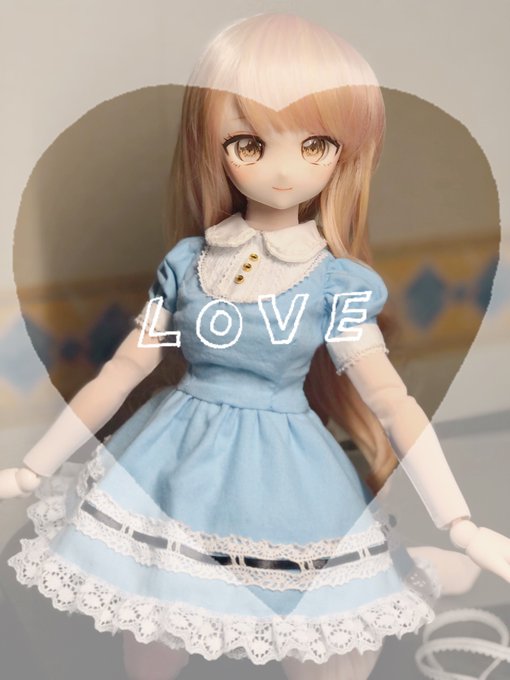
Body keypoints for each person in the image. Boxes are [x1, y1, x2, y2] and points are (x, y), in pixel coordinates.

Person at [1, 12, 508, 680]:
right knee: (153, 629)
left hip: (285, 471)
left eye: (316, 144)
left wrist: (459, 521)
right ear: (211, 146)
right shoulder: (188, 263)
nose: (282, 170)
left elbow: (390, 399)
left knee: (318, 642)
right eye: (249, 143)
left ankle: (437, 565)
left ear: (346, 153)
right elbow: (124, 369)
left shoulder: (335, 282)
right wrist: (31, 470)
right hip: (174, 458)